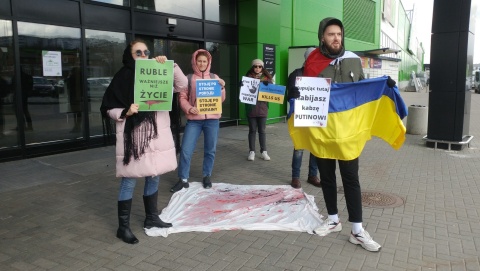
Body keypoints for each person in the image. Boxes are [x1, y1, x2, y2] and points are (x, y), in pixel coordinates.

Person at [291, 18, 395, 252]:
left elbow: (363, 89)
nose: (336, 38)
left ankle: (357, 230)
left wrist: (384, 85)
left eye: (338, 34)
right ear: (322, 37)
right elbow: (305, 93)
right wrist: (296, 92)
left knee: (351, 179)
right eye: (330, 34)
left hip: (348, 134)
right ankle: (333, 219)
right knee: (327, 178)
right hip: (323, 132)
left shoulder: (353, 60)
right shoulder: (312, 62)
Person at [100, 39, 188, 244]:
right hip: (134, 138)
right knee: (129, 180)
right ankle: (123, 228)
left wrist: (171, 66)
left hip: (156, 136)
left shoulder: (160, 71)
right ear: (129, 55)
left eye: (145, 52)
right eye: (137, 52)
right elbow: (107, 108)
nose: (143, 55)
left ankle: (151, 218)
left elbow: (182, 85)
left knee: (154, 176)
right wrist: (125, 111)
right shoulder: (122, 77)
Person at [170, 49, 226, 192]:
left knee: (210, 150)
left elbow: (221, 99)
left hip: (212, 120)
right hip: (194, 120)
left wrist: (223, 87)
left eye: (204, 61)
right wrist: (189, 108)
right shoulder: (188, 79)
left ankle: (207, 175)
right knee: (186, 150)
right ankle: (183, 179)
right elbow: (182, 98)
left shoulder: (214, 77)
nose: (202, 63)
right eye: (199, 61)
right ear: (195, 61)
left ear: (208, 62)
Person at [287, 47, 321, 189]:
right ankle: (295, 177)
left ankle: (313, 175)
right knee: (299, 147)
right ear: (307, 59)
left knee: (315, 147)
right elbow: (288, 96)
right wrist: (292, 94)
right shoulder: (296, 74)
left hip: (317, 116)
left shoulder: (322, 76)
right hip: (300, 117)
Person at [245, 59, 273, 161]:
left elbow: (273, 91)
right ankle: (251, 151)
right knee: (252, 130)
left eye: (259, 66)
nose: (257, 68)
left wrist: (268, 84)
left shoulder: (267, 78)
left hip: (262, 109)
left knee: (262, 131)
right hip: (251, 109)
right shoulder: (247, 78)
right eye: (255, 66)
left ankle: (264, 151)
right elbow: (243, 90)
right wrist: (242, 84)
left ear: (262, 68)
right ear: (253, 67)